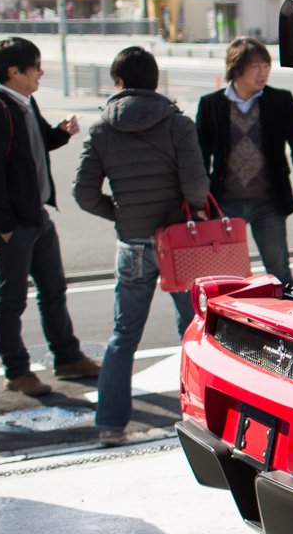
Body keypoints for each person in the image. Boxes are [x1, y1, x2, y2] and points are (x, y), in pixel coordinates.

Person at [73, 47, 209, 447]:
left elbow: (82, 193)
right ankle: (197, 416)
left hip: (131, 242)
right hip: (179, 242)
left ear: (118, 82)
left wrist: (118, 213)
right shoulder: (178, 124)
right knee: (193, 330)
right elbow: (197, 186)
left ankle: (110, 425)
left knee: (123, 335)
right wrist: (191, 210)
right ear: (154, 81)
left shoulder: (101, 129)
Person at [0, 36, 98, 397]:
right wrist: (5, 224)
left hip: (38, 215)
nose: (41, 73)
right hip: (15, 222)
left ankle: (68, 357)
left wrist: (60, 133)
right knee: (12, 299)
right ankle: (16, 370)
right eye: (36, 67)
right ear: (15, 72)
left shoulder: (25, 102)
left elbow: (38, 142)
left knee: (54, 290)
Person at [195, 36, 293, 285]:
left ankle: (285, 318)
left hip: (268, 201)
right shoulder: (211, 104)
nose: (263, 73)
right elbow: (200, 155)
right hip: (224, 203)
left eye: (266, 66)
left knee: (278, 270)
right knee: (226, 273)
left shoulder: (280, 100)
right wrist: (199, 199)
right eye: (255, 67)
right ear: (236, 68)